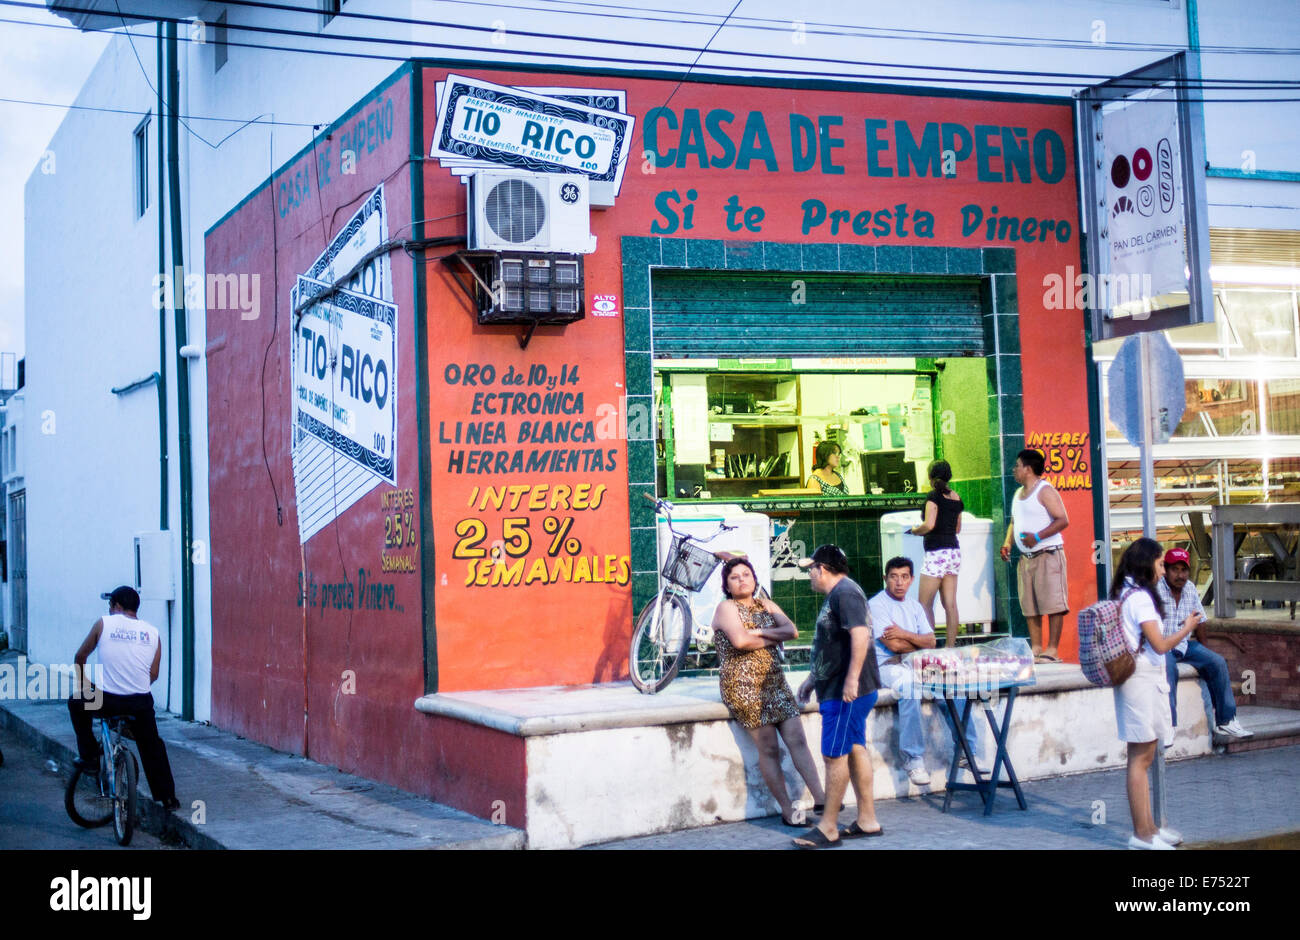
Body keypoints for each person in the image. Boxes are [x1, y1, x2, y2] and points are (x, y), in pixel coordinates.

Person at [711, 557, 827, 825]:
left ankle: (822, 798)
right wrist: (772, 633)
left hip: (775, 681)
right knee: (770, 748)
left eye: (746, 574)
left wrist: (758, 635)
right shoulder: (725, 608)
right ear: (727, 585)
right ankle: (788, 810)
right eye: (735, 577)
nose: (742, 579)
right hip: (743, 685)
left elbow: (792, 631)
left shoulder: (767, 604)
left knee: (797, 739)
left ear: (754, 578)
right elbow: (740, 641)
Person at [792, 545, 882, 848]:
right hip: (839, 687)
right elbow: (832, 646)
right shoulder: (841, 593)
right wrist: (811, 679)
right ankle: (867, 820)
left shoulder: (845, 593)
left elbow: (860, 635)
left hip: (846, 693)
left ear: (824, 569)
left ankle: (828, 827)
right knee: (855, 748)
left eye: (811, 569)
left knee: (834, 755)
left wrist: (851, 681)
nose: (809, 575)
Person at [1111, 539, 1198, 849]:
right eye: (1161, 564)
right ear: (1147, 563)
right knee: (1140, 758)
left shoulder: (1126, 592)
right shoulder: (1141, 600)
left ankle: (1148, 829)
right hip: (1140, 681)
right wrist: (1187, 627)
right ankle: (1142, 834)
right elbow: (1160, 645)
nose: (1163, 571)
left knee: (1143, 757)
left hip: (1138, 680)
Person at [869, 556, 981, 787]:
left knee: (952, 686)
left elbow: (931, 642)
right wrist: (914, 641)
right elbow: (893, 646)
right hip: (887, 666)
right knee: (909, 687)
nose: (899, 582)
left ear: (911, 580)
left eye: (904, 577)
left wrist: (903, 633)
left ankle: (966, 752)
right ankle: (913, 758)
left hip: (916, 663)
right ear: (885, 578)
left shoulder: (914, 606)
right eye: (893, 577)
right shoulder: (876, 605)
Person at [68, 586, 180, 811]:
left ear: (117, 606)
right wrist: (133, 686)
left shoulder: (104, 624)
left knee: (76, 702)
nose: (109, 610)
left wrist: (85, 685)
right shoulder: (153, 633)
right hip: (140, 702)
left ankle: (89, 758)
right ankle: (168, 798)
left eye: (110, 606)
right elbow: (154, 674)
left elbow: (80, 656)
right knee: (152, 746)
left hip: (107, 700)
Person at [1155, 548, 1253, 739]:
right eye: (1175, 569)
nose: (1180, 575)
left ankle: (1226, 720)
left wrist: (1204, 650)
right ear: (1166, 569)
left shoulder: (1190, 588)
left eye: (1184, 570)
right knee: (1169, 670)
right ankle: (1169, 724)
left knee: (1216, 661)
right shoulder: (1157, 589)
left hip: (1183, 645)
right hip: (1162, 646)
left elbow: (1200, 620)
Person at [1000, 448, 1070, 663]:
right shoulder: (1017, 494)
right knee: (1030, 605)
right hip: (1026, 558)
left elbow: (1062, 520)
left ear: (1028, 469)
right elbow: (1014, 521)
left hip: (1048, 554)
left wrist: (1037, 537)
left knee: (1053, 604)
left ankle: (1052, 650)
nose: (1014, 470)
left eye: (1017, 466)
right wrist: (1008, 542)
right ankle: (1036, 648)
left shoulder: (1045, 490)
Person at [911, 459, 964, 647]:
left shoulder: (933, 497)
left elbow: (929, 525)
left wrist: (915, 530)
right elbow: (958, 528)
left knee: (924, 603)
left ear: (930, 477)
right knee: (950, 603)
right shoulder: (957, 498)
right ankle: (950, 649)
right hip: (953, 553)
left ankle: (929, 646)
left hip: (936, 554)